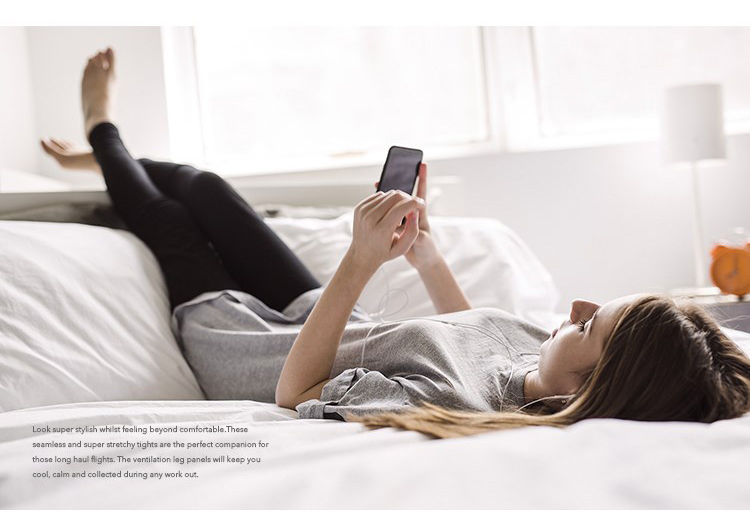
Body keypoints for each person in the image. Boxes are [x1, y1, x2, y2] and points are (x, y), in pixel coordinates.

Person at [43, 48, 750, 439]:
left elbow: (297, 393)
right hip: (317, 314)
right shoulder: (542, 357)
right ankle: (108, 161)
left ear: (584, 388)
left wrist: (359, 262)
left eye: (591, 325)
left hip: (246, 346)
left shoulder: (456, 407)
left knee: (167, 219)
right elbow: (472, 330)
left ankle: (103, 131)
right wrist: (427, 257)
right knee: (206, 186)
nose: (578, 307)